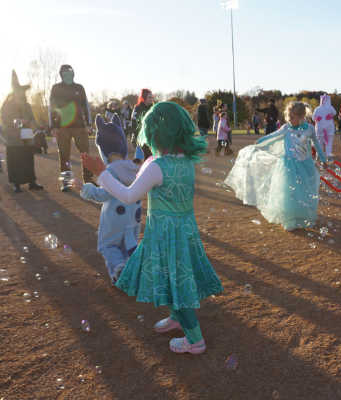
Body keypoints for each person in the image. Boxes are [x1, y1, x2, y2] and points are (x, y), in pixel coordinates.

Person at [81, 101, 224, 354]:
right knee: (174, 279)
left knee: (176, 284)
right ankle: (176, 317)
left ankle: (195, 341)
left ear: (157, 133)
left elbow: (127, 195)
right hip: (182, 232)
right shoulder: (184, 160)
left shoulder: (158, 165)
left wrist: (102, 173)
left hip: (166, 235)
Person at [225, 102, 328, 231]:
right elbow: (274, 136)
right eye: (288, 117)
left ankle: (304, 217)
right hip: (289, 165)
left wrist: (323, 159)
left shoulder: (310, 129)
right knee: (288, 192)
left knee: (304, 191)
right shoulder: (287, 128)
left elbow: (317, 144)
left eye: (293, 118)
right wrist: (261, 141)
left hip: (305, 164)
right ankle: (289, 219)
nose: (290, 120)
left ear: (302, 116)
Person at [69, 114, 141, 285]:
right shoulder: (134, 168)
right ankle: (130, 269)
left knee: (108, 246)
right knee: (127, 245)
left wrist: (83, 187)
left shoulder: (109, 172)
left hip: (115, 220)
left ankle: (119, 269)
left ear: (103, 150)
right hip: (134, 219)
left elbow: (102, 194)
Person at [49, 65, 94, 191]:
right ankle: (66, 182)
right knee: (64, 156)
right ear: (61, 74)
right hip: (62, 127)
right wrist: (53, 126)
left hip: (80, 127)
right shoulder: (56, 88)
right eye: (65, 73)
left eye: (70, 72)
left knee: (85, 154)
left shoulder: (79, 88)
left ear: (73, 74)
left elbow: (86, 106)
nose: (68, 75)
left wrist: (88, 124)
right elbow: (52, 107)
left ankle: (88, 180)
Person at [1, 71, 44, 193]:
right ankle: (16, 183)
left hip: (27, 137)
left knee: (29, 159)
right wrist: (19, 122)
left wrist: (31, 122)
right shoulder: (6, 105)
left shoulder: (27, 105)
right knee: (15, 161)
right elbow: (5, 120)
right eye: (17, 91)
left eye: (21, 91)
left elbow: (32, 118)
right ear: (13, 92)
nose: (20, 93)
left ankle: (32, 182)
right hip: (13, 138)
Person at [131, 89, 154, 162]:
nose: (151, 99)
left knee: (153, 156)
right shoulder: (138, 109)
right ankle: (146, 172)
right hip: (142, 136)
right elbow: (134, 123)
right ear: (143, 98)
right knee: (148, 155)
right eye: (149, 97)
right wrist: (137, 136)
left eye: (152, 97)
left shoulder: (153, 108)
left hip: (153, 136)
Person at [313, 94, 337, 159]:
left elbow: (313, 118)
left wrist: (317, 118)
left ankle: (318, 156)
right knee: (329, 142)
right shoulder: (330, 107)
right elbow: (335, 113)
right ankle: (329, 156)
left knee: (319, 143)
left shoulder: (317, 109)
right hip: (329, 127)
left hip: (319, 128)